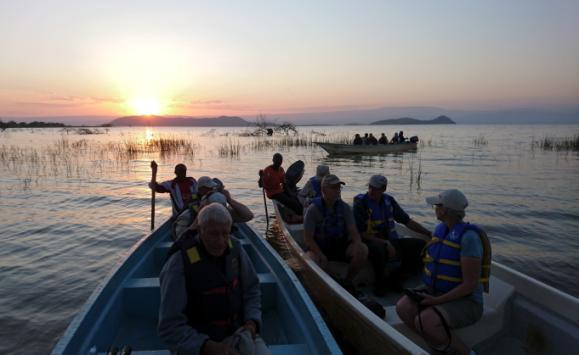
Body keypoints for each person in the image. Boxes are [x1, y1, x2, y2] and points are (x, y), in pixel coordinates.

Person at [159, 203, 271, 355]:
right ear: (199, 230)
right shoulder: (179, 263)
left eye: (225, 233)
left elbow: (252, 289)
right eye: (213, 234)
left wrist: (252, 322)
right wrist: (208, 347)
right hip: (197, 343)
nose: (220, 241)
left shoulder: (236, 249)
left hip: (237, 333)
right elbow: (169, 326)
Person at [395, 189, 491, 355]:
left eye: (437, 205)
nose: (435, 208)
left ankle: (466, 352)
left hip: (467, 302)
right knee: (402, 307)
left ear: (444, 210)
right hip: (437, 291)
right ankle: (438, 345)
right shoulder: (441, 229)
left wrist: (436, 300)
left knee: (425, 321)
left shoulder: (469, 238)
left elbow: (470, 284)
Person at [353, 175, 431, 296]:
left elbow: (407, 221)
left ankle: (397, 277)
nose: (371, 191)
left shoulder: (389, 201)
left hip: (390, 240)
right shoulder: (360, 204)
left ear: (383, 189)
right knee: (379, 250)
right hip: (369, 241)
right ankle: (380, 284)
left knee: (421, 245)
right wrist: (385, 243)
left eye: (375, 188)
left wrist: (428, 233)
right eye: (370, 187)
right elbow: (360, 233)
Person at [303, 174, 368, 292]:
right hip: (320, 248)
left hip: (339, 246)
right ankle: (326, 285)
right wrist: (321, 255)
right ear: (323, 190)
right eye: (333, 188)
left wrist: (358, 243)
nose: (337, 191)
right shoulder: (313, 210)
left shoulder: (345, 208)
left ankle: (348, 281)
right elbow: (308, 239)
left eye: (339, 187)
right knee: (311, 259)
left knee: (363, 249)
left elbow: (354, 232)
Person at [175, 187, 254, 239]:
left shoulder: (223, 214)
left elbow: (248, 216)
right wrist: (197, 219)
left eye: (221, 208)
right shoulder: (186, 216)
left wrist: (230, 200)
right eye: (213, 208)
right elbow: (181, 240)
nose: (217, 213)